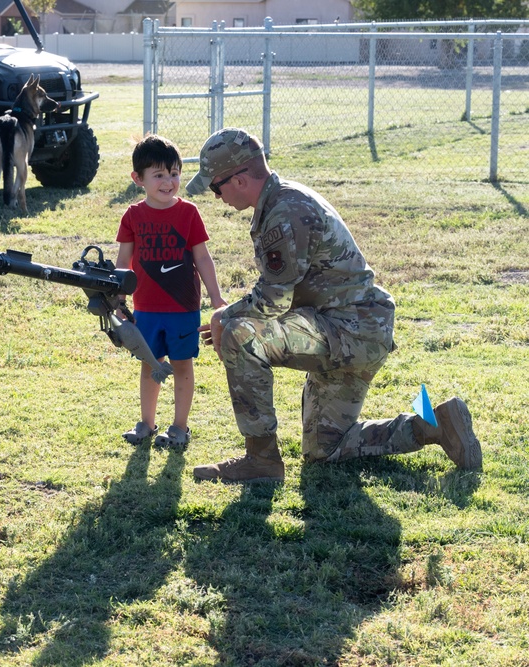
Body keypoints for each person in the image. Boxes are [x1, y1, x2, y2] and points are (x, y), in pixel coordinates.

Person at [187, 127, 482, 483]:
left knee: (240, 334)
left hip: (347, 332)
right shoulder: (282, 201)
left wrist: (224, 316)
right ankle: (433, 426)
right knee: (323, 449)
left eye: (215, 187)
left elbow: (274, 299)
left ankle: (261, 461)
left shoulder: (286, 212)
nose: (215, 196)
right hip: (351, 331)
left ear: (239, 179)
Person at [116, 135, 227, 451]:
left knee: (181, 364)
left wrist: (216, 297)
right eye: (159, 175)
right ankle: (146, 423)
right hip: (147, 308)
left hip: (183, 308)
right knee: (150, 364)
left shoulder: (189, 213)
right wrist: (119, 299)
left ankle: (179, 426)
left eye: (174, 173)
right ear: (138, 179)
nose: (169, 182)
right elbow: (124, 261)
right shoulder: (133, 216)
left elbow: (203, 258)